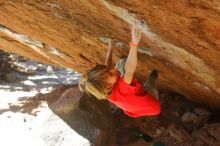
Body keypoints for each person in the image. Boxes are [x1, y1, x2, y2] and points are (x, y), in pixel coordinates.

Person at [78, 25, 161, 117]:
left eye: (109, 70)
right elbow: (130, 68)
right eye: (110, 73)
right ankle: (151, 81)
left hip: (133, 108)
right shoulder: (122, 88)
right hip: (151, 105)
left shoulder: (104, 91)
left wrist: (110, 49)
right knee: (148, 86)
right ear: (109, 86)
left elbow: (107, 68)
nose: (113, 69)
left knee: (121, 69)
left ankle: (136, 88)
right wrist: (134, 44)